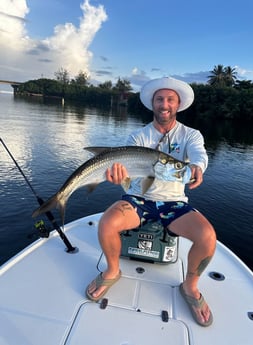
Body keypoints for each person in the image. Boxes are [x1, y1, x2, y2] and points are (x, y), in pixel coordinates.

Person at [86, 77, 216, 327]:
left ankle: (189, 286)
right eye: (160, 99)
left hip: (174, 203)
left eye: (170, 99)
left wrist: (198, 166)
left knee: (208, 236)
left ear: (178, 104)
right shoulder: (139, 136)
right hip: (138, 200)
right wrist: (117, 176)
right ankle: (112, 271)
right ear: (153, 104)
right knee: (106, 224)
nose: (164, 104)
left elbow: (199, 154)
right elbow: (124, 168)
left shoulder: (191, 134)